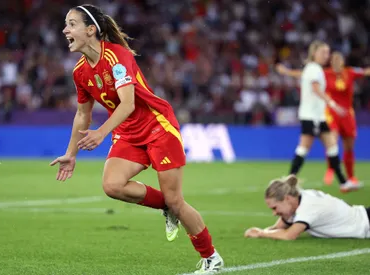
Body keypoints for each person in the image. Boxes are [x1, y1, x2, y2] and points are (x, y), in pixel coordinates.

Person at [50, 4, 223, 274]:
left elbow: (128, 104)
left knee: (177, 200)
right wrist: (71, 153)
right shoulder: (80, 72)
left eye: (71, 24)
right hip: (128, 133)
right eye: (66, 24)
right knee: (113, 185)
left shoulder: (117, 56)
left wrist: (101, 132)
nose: (65, 30)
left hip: (157, 127)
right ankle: (166, 206)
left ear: (91, 29)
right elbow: (82, 114)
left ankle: (211, 256)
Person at [277, 41, 361, 193]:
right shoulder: (314, 69)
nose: (326, 56)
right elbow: (316, 89)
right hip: (311, 117)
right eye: (323, 52)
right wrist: (333, 104)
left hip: (318, 116)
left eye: (327, 52)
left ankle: (343, 182)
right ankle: (288, 181)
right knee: (304, 148)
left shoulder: (314, 69)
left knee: (332, 146)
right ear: (314, 53)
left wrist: (287, 71)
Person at [244, 175, 370, 240]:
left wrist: (261, 233)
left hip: (366, 223)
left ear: (287, 198)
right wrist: (264, 231)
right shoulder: (299, 200)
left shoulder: (308, 207)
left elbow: (289, 235)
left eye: (275, 208)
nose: (274, 213)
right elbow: (277, 228)